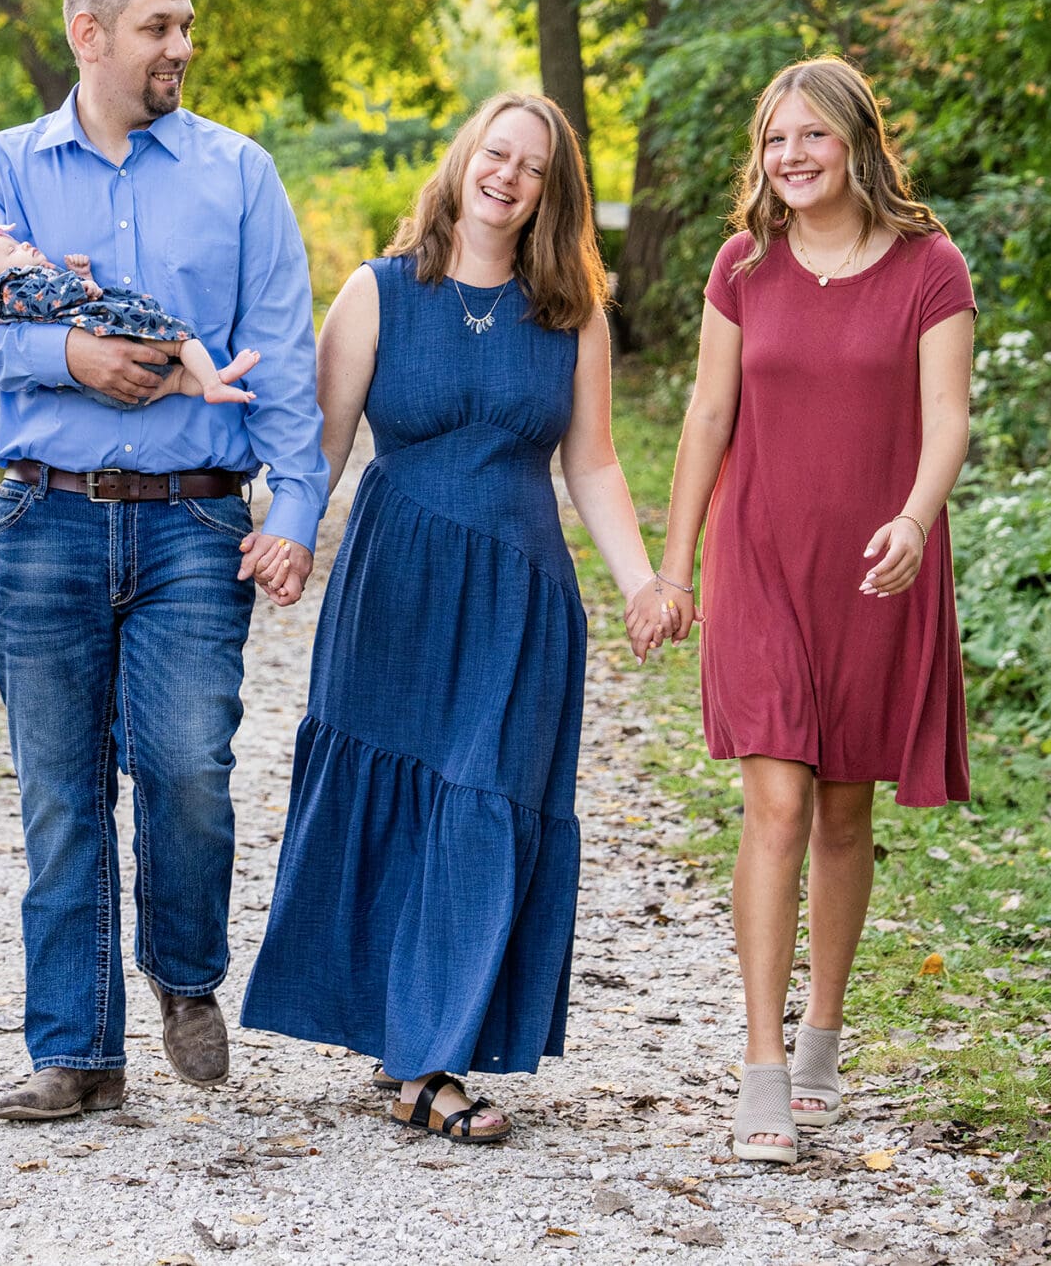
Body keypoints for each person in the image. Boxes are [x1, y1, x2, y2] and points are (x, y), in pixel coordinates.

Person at [0, 0, 326, 1123]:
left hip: (195, 522)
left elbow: (284, 355)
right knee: (58, 793)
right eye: (159, 27)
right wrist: (73, 356)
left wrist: (296, 507)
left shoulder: (238, 173)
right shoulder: (2, 170)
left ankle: (185, 974)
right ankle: (74, 1049)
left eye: (187, 25)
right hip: (44, 518)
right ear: (88, 35)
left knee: (189, 770)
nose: (182, 48)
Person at [240, 92, 675, 1146]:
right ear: (463, 160)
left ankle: (427, 1055)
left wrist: (640, 581)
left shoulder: (571, 316)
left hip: (520, 594)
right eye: (496, 153)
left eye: (532, 166)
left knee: (482, 803)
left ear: (549, 192)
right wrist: (288, 532)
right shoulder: (378, 292)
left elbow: (596, 463)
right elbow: (322, 445)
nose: (508, 176)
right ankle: (409, 1053)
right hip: (393, 588)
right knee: (394, 801)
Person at [645, 56, 975, 1163]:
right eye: (775, 139)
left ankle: (824, 1032)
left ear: (856, 145)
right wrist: (674, 566)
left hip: (875, 569)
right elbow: (705, 416)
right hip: (760, 563)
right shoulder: (745, 264)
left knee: (843, 811)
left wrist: (917, 521)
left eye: (812, 138)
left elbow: (947, 421)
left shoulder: (931, 268)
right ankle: (762, 1069)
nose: (790, 157)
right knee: (775, 803)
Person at [0, 224, 261, 405]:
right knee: (182, 340)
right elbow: (71, 299)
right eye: (12, 251)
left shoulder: (28, 292)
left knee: (176, 381)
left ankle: (214, 380)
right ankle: (213, 384)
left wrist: (83, 275)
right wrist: (79, 284)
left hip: (112, 388)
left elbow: (73, 304)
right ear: (0, 281)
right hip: (121, 334)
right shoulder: (15, 289)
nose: (24, 244)